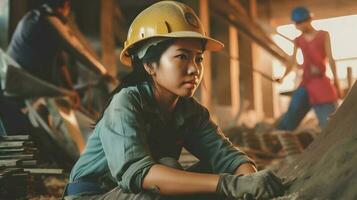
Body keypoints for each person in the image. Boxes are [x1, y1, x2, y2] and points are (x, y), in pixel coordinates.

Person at [64, 1, 286, 200]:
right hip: (93, 193)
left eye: (198, 59)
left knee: (189, 171)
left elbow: (227, 157)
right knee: (160, 184)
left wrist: (248, 182)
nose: (194, 69)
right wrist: (229, 184)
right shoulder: (126, 103)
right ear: (149, 65)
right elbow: (139, 174)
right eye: (182, 56)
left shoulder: (190, 112)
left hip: (132, 189)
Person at [276, 7, 341, 130]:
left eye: (302, 22)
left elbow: (331, 59)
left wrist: (336, 82)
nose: (300, 25)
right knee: (289, 119)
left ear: (310, 19)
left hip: (321, 83)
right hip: (305, 84)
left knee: (330, 125)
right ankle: (275, 141)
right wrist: (283, 77)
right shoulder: (298, 41)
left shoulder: (323, 35)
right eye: (297, 23)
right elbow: (291, 62)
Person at [6, 0, 80, 107]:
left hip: (11, 79)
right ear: (64, 6)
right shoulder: (48, 22)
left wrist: (70, 89)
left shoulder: (32, 15)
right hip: (21, 87)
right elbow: (74, 53)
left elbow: (60, 62)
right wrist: (102, 73)